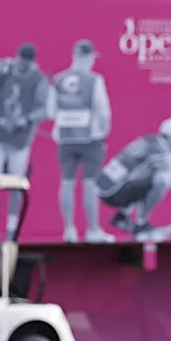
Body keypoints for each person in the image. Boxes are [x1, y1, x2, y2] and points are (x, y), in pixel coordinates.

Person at [94, 117, 171, 242]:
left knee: (147, 173)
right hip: (113, 192)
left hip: (106, 188)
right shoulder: (162, 151)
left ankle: (122, 216)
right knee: (164, 179)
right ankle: (141, 224)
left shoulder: (150, 140)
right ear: (170, 138)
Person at [0, 43, 49, 241]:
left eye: (26, 63)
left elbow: (44, 109)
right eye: (20, 61)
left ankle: (11, 229)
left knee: (16, 183)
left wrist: (25, 119)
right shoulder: (4, 68)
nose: (22, 65)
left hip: (20, 139)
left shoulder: (39, 79)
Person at [49, 39, 115, 244]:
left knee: (66, 183)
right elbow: (103, 110)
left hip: (65, 138)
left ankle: (69, 229)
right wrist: (104, 132)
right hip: (90, 138)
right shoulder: (94, 80)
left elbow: (50, 112)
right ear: (87, 57)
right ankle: (92, 230)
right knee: (89, 185)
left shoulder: (58, 79)